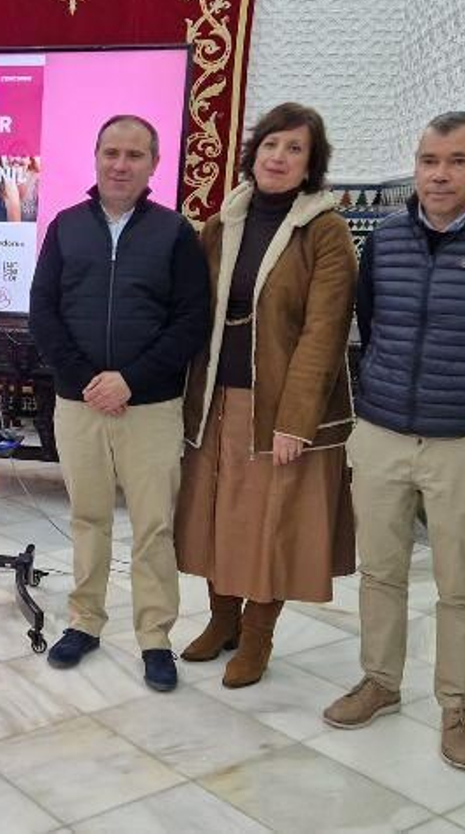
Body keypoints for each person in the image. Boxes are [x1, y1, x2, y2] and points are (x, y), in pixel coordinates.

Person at [322, 111, 465, 771]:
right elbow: (370, 323)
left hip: (464, 443)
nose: (439, 173)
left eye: (457, 160)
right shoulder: (388, 240)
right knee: (381, 568)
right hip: (383, 433)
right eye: (430, 159)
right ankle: (380, 680)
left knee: (461, 581)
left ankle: (459, 706)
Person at [174, 103, 356, 689]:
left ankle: (257, 637)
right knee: (211, 517)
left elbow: (324, 333)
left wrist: (295, 421)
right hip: (215, 400)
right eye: (271, 145)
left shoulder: (324, 231)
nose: (279, 157)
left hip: (276, 409)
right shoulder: (222, 222)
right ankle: (221, 620)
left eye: (295, 149)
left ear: (311, 165)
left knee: (269, 524)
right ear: (254, 152)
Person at [28, 115, 211, 692]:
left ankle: (155, 637)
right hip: (79, 404)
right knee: (88, 517)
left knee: (154, 525)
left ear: (154, 164)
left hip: (150, 407)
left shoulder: (175, 232)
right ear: (96, 156)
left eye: (135, 154)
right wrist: (87, 379)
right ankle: (84, 622)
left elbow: (191, 321)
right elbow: (43, 312)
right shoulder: (64, 228)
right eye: (111, 152)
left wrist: (130, 379)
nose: (121, 164)